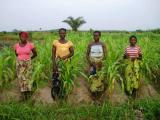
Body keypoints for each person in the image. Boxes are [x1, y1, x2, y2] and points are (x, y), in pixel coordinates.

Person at [52, 28, 74, 99]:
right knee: (57, 79)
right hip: (57, 62)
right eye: (61, 33)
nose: (62, 34)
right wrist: (54, 64)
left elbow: (72, 52)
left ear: (65, 33)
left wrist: (65, 57)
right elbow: (53, 54)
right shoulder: (55, 42)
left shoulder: (69, 43)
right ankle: (57, 94)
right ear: (59, 34)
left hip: (66, 64)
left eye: (63, 33)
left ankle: (64, 94)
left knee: (65, 78)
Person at [14, 32, 37, 100]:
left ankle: (29, 93)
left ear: (27, 37)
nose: (23, 37)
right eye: (22, 36)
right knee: (21, 78)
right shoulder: (16, 45)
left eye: (25, 36)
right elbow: (16, 54)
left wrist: (28, 59)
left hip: (27, 63)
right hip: (19, 64)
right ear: (19, 37)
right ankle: (23, 94)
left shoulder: (30, 45)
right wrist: (21, 60)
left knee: (28, 78)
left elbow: (35, 54)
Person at [86, 31, 107, 98]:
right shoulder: (90, 44)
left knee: (100, 77)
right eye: (94, 35)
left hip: (100, 62)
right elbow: (87, 54)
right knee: (93, 77)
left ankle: (100, 94)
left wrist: (101, 62)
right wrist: (91, 62)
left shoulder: (102, 44)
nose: (95, 37)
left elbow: (105, 54)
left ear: (99, 36)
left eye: (97, 35)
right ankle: (93, 94)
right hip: (92, 62)